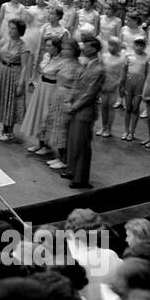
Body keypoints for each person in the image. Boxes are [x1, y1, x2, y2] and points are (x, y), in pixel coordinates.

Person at [61, 36, 104, 189]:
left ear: (94, 49)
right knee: (73, 142)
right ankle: (72, 170)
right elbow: (77, 85)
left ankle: (81, 179)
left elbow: (89, 94)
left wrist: (73, 106)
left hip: (84, 111)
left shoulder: (98, 69)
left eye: (86, 46)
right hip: (76, 108)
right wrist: (69, 100)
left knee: (82, 146)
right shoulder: (87, 65)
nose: (83, 48)